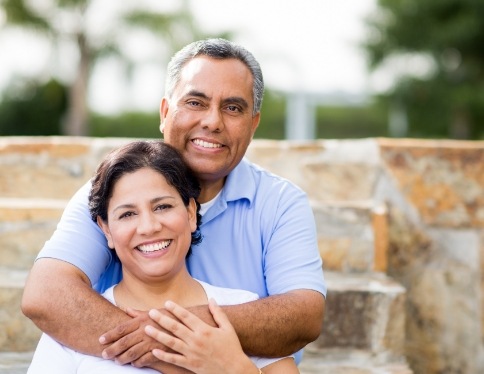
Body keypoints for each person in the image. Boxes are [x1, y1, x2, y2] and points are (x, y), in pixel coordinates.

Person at [21, 38, 326, 372]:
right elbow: (47, 294)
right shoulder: (112, 191)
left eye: (233, 108)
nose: (212, 121)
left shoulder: (281, 203)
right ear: (165, 113)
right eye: (195, 102)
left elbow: (303, 316)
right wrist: (174, 351)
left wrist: (178, 339)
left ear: (253, 124)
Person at [27, 140, 298, 373]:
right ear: (106, 230)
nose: (149, 227)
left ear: (191, 213)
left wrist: (235, 369)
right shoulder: (71, 328)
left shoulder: (241, 308)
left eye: (163, 206)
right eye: (128, 214)